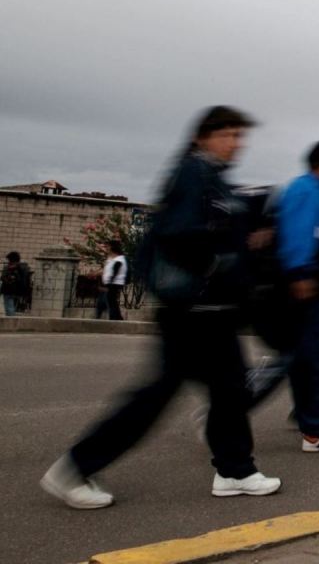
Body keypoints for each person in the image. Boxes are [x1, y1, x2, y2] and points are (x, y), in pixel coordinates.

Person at [40, 106, 280, 509]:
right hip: (192, 309)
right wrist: (229, 251)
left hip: (211, 309)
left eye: (239, 137)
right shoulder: (193, 173)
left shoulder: (213, 178)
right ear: (204, 137)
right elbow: (181, 236)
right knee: (158, 395)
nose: (236, 144)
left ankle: (235, 470)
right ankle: (75, 467)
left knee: (230, 387)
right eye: (229, 136)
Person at [253, 140, 319, 453]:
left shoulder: (313, 195)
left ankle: (314, 430)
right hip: (303, 293)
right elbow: (299, 239)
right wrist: (302, 276)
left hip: (309, 293)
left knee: (300, 364)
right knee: (317, 364)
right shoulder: (306, 193)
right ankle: (317, 430)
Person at [94, 240, 127, 321]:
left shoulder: (118, 260)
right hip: (111, 283)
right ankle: (117, 317)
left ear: (112, 248)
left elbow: (115, 271)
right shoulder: (113, 258)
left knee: (111, 300)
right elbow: (107, 270)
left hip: (114, 283)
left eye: (108, 246)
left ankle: (116, 317)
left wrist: (109, 282)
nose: (107, 248)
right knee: (111, 300)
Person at [2, 251, 32, 316]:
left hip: (8, 290)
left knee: (9, 308)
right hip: (18, 291)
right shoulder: (24, 268)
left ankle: (11, 323)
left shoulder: (9, 268)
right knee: (13, 308)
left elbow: (3, 278)